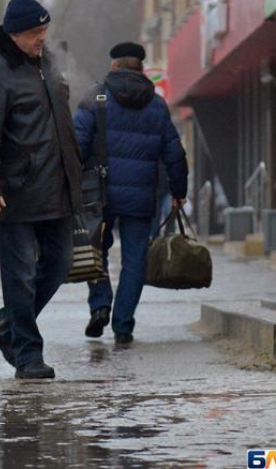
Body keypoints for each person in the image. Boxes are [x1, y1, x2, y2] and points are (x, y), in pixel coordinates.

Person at [0, 0, 83, 380]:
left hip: (57, 184)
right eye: (35, 32)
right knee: (19, 274)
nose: (42, 38)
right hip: (16, 189)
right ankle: (28, 355)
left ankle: (6, 326)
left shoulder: (47, 63)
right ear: (14, 34)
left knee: (61, 263)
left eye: (45, 30)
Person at [73, 42, 188, 346]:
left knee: (96, 249)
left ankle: (100, 304)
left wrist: (69, 184)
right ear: (141, 68)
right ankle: (123, 324)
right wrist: (179, 191)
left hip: (99, 193)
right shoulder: (156, 104)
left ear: (113, 66)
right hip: (141, 195)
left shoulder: (96, 97)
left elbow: (77, 145)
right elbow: (174, 154)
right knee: (135, 258)